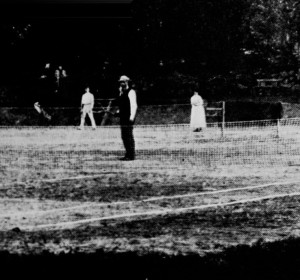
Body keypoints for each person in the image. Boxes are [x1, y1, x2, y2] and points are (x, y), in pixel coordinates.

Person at [118, 75, 138, 160]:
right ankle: (128, 154)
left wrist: (131, 117)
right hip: (122, 117)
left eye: (123, 82)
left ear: (126, 82)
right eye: (120, 82)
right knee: (124, 136)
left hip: (128, 117)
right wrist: (118, 112)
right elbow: (123, 105)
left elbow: (133, 105)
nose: (122, 83)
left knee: (129, 136)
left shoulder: (131, 92)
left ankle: (131, 155)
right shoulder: (121, 92)